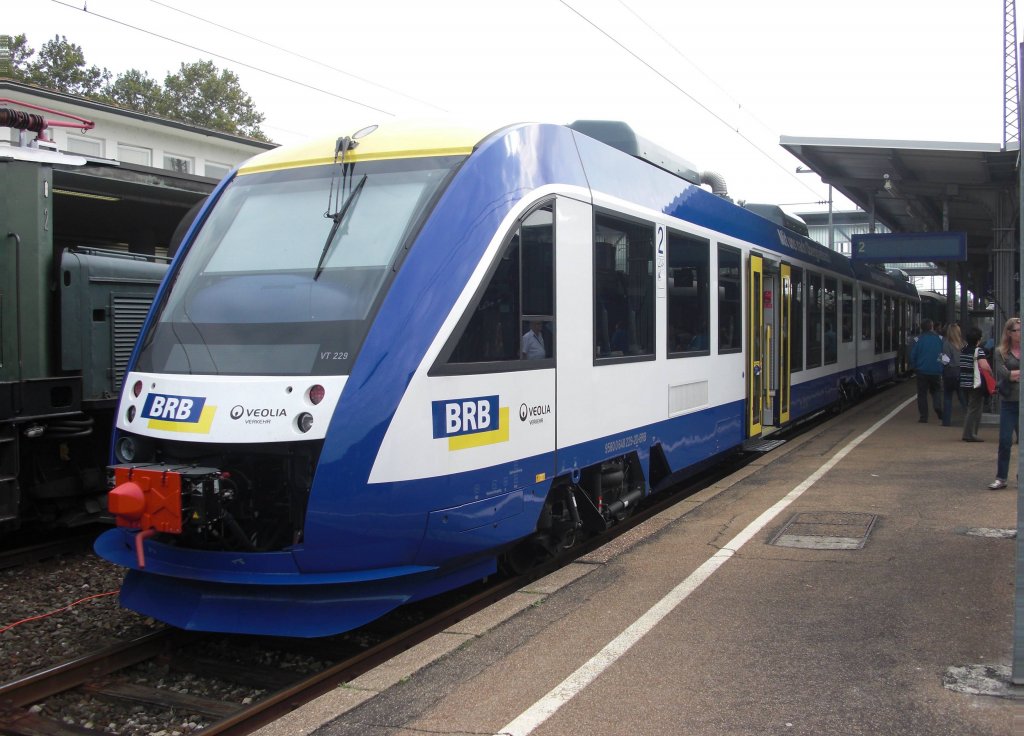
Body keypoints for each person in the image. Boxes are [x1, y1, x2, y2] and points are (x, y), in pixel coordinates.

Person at [988, 316, 1021, 489]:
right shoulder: (1000, 352)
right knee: (1005, 440)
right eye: (1017, 330)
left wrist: (1013, 373)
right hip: (1009, 403)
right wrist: (1012, 374)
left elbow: (1011, 373)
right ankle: (1001, 477)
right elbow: (1004, 374)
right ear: (1009, 333)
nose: (1020, 333)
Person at [910, 318, 943, 423]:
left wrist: (915, 367)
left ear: (921, 328)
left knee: (922, 394)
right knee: (936, 390)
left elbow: (912, 355)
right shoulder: (940, 339)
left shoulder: (917, 339)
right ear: (932, 327)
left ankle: (923, 417)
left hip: (921, 371)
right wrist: (941, 366)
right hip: (936, 370)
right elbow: (943, 354)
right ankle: (937, 406)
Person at [960, 326, 989, 442]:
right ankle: (969, 434)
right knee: (974, 409)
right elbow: (984, 366)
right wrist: (991, 374)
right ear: (979, 339)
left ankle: (971, 433)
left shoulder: (963, 349)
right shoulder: (978, 351)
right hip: (975, 383)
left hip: (965, 382)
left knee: (971, 407)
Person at [940, 322, 966, 426]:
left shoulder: (946, 344)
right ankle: (969, 419)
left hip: (950, 373)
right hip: (961, 373)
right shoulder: (964, 344)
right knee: (963, 398)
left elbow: (945, 361)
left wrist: (940, 358)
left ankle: (946, 422)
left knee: (947, 398)